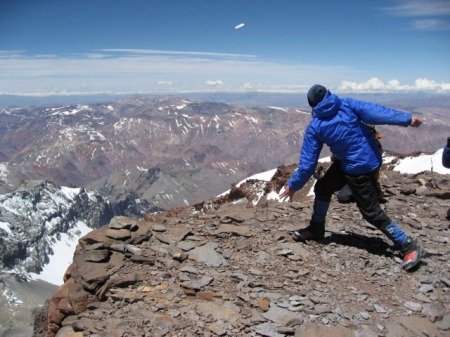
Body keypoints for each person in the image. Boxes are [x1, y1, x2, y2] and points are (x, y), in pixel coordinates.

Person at [280, 84, 425, 271]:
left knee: (371, 212)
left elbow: (308, 165)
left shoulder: (315, 127)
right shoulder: (347, 104)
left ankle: (408, 245)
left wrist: (293, 185)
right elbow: (377, 112)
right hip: (358, 159)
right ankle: (316, 229)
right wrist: (406, 119)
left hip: (359, 167)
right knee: (323, 187)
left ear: (312, 105)